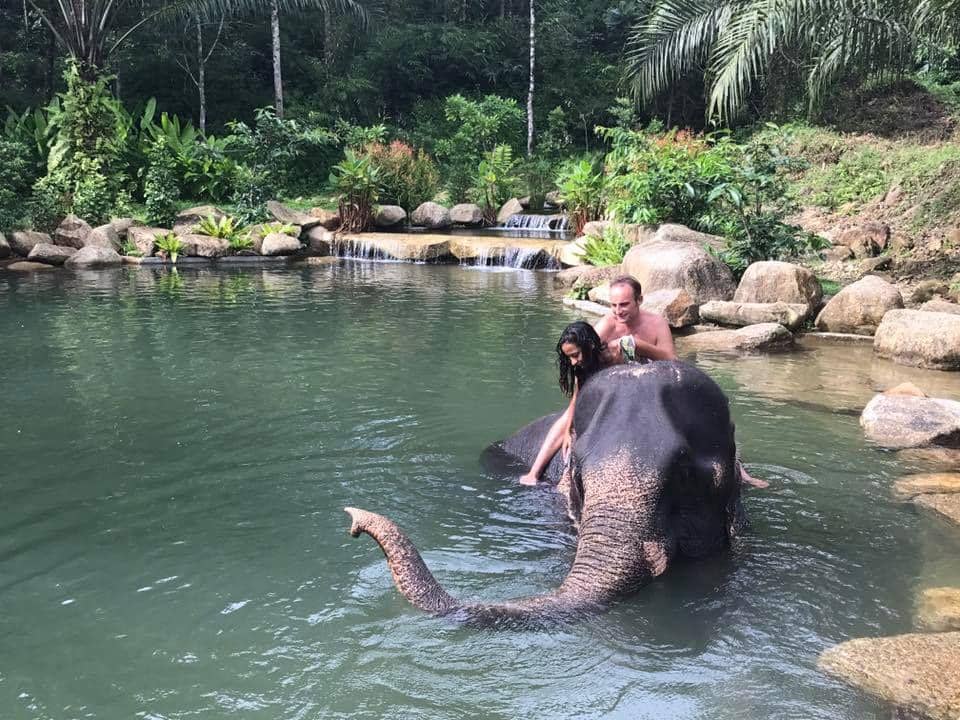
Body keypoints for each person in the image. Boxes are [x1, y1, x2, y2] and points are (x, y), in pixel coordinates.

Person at [518, 321, 607, 486]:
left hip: (614, 406)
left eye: (575, 355)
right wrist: (568, 430)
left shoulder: (613, 356)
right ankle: (534, 473)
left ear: (591, 345)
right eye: (569, 357)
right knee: (564, 421)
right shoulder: (581, 367)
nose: (573, 362)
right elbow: (576, 398)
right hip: (591, 405)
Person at [594, 275, 677, 362]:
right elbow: (583, 354)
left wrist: (637, 345)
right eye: (614, 305)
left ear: (639, 300)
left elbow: (673, 361)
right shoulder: (606, 324)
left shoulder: (657, 323)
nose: (618, 311)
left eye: (624, 304)